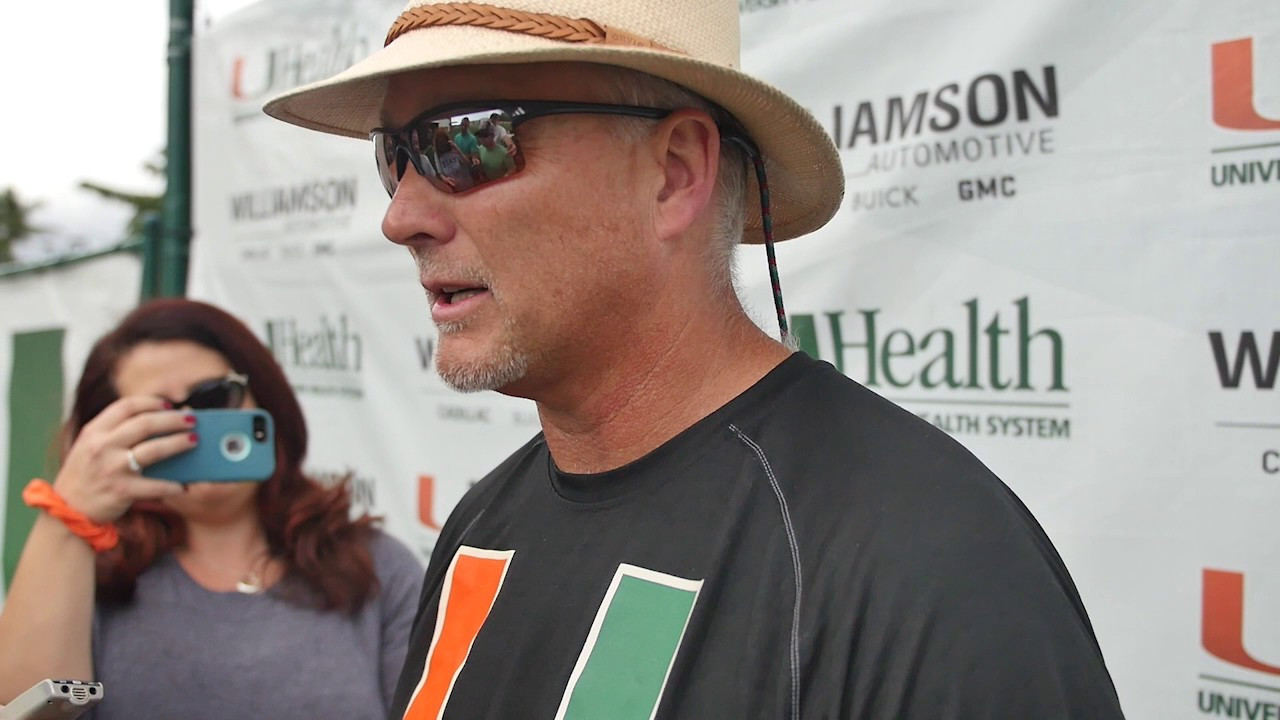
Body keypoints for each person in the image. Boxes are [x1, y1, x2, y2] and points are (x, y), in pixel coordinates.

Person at [265, 1, 1127, 718]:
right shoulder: (481, 529)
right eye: (396, 156)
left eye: (465, 141)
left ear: (675, 172)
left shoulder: (925, 565)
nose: (402, 216)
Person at [0, 298, 424, 720]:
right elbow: (24, 710)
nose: (192, 429)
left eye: (214, 396)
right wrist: (68, 516)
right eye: (157, 415)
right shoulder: (86, 574)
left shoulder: (377, 567)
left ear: (264, 398)